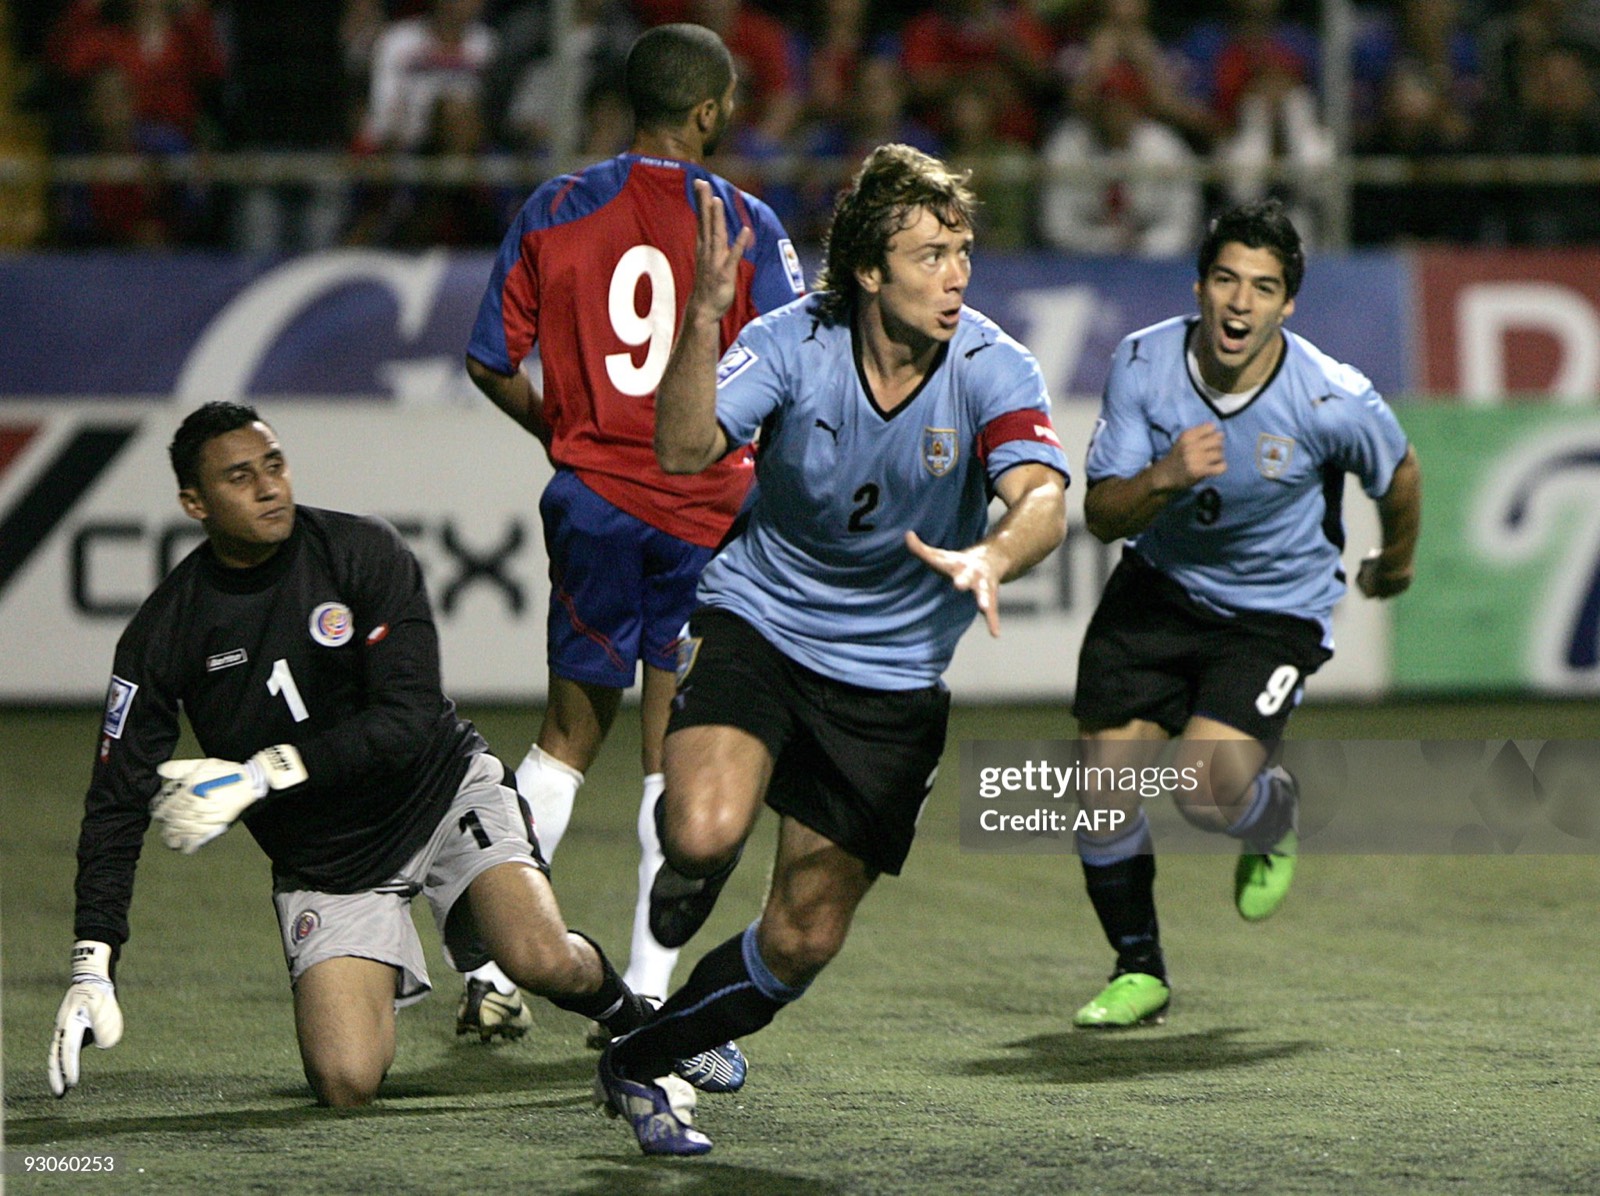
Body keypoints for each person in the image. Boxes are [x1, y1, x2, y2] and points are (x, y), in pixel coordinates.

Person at [46, 402, 740, 1108]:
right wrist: (92, 964)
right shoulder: (166, 629)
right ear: (194, 502)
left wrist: (265, 772)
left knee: (538, 955)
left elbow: (407, 718)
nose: (269, 487)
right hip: (330, 860)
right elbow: (117, 797)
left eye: (275, 464)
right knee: (346, 1082)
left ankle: (645, 1030)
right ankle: (459, 925)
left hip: (438, 794)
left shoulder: (358, 552)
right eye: (239, 477)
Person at [593, 143, 1071, 1156]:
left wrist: (996, 551)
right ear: (867, 271)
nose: (957, 276)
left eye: (962, 251)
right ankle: (687, 866)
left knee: (803, 937)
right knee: (706, 828)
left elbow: (1042, 498)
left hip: (891, 678)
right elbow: (682, 448)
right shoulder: (788, 342)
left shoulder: (992, 363)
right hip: (760, 620)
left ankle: (641, 1053)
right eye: (932, 254)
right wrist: (697, 317)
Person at [463, 23, 806, 1039]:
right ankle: (648, 997)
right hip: (705, 514)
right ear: (707, 111)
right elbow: (791, 371)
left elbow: (490, 358)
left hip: (594, 501)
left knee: (566, 738)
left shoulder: (556, 207)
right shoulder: (744, 221)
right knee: (673, 751)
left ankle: (491, 965)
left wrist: (564, 434)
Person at [1067, 200, 1422, 1030]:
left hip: (1273, 615)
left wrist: (1395, 561)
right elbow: (1103, 515)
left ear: (1287, 305)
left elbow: (1399, 470)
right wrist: (1161, 477)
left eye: (1262, 288)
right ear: (1199, 286)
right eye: (1226, 280)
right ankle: (1140, 970)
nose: (1239, 303)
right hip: (1157, 590)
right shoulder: (1142, 363)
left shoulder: (1332, 398)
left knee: (1204, 789)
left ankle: (1272, 810)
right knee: (1101, 795)